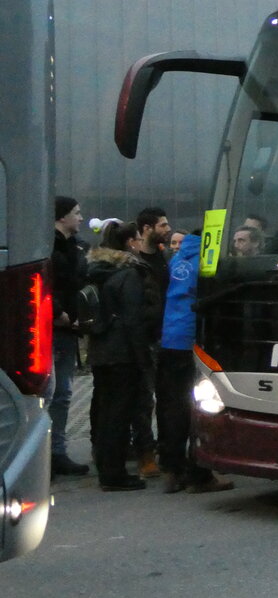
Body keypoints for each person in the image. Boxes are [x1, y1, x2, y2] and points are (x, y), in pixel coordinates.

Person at [157, 230, 234, 494]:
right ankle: (198, 474)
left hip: (170, 339)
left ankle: (171, 469)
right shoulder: (206, 261)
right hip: (193, 340)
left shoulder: (176, 260)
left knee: (173, 406)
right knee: (200, 407)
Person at [86, 221, 156, 491]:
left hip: (100, 349)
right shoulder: (129, 274)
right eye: (138, 239)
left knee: (105, 413)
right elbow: (133, 320)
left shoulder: (98, 270)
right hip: (123, 353)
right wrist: (142, 359)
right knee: (119, 415)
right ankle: (114, 475)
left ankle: (106, 468)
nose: (140, 244)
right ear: (130, 243)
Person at [47, 196, 89, 477]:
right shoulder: (51, 247)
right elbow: (46, 283)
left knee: (62, 393)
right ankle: (52, 453)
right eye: (76, 212)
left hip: (67, 326)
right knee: (55, 392)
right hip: (56, 326)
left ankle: (55, 451)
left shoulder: (72, 247)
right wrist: (59, 313)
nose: (82, 217)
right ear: (62, 217)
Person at [131, 206, 171, 478]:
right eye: (163, 225)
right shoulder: (133, 262)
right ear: (147, 228)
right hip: (143, 339)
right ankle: (145, 453)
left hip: (166, 336)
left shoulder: (166, 259)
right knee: (144, 400)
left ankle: (167, 450)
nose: (167, 230)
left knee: (169, 397)